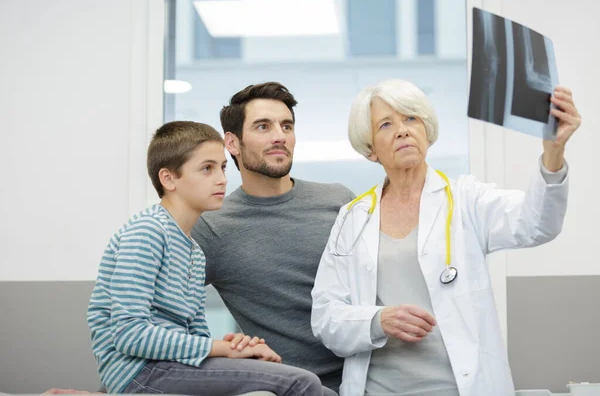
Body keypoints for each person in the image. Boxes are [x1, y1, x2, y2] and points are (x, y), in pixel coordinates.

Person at [311, 79, 580, 396]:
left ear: (426, 130)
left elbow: (537, 224)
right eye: (386, 124)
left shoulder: (467, 199)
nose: (402, 130)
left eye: (411, 118)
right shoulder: (353, 218)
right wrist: (377, 320)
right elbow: (325, 317)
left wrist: (553, 152)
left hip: (459, 388)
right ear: (370, 149)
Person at [86, 121, 325, 395]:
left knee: (322, 391)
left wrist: (234, 348)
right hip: (140, 373)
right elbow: (130, 335)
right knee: (301, 383)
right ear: (169, 178)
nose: (222, 179)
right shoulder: (147, 232)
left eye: (222, 167)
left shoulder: (194, 250)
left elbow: (195, 335)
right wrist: (222, 349)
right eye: (206, 169)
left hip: (170, 366)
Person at [191, 82, 355, 395]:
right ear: (233, 143)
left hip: (370, 378)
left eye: (287, 126)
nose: (280, 135)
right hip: (288, 388)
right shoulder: (212, 226)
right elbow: (158, 311)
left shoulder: (339, 200)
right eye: (263, 126)